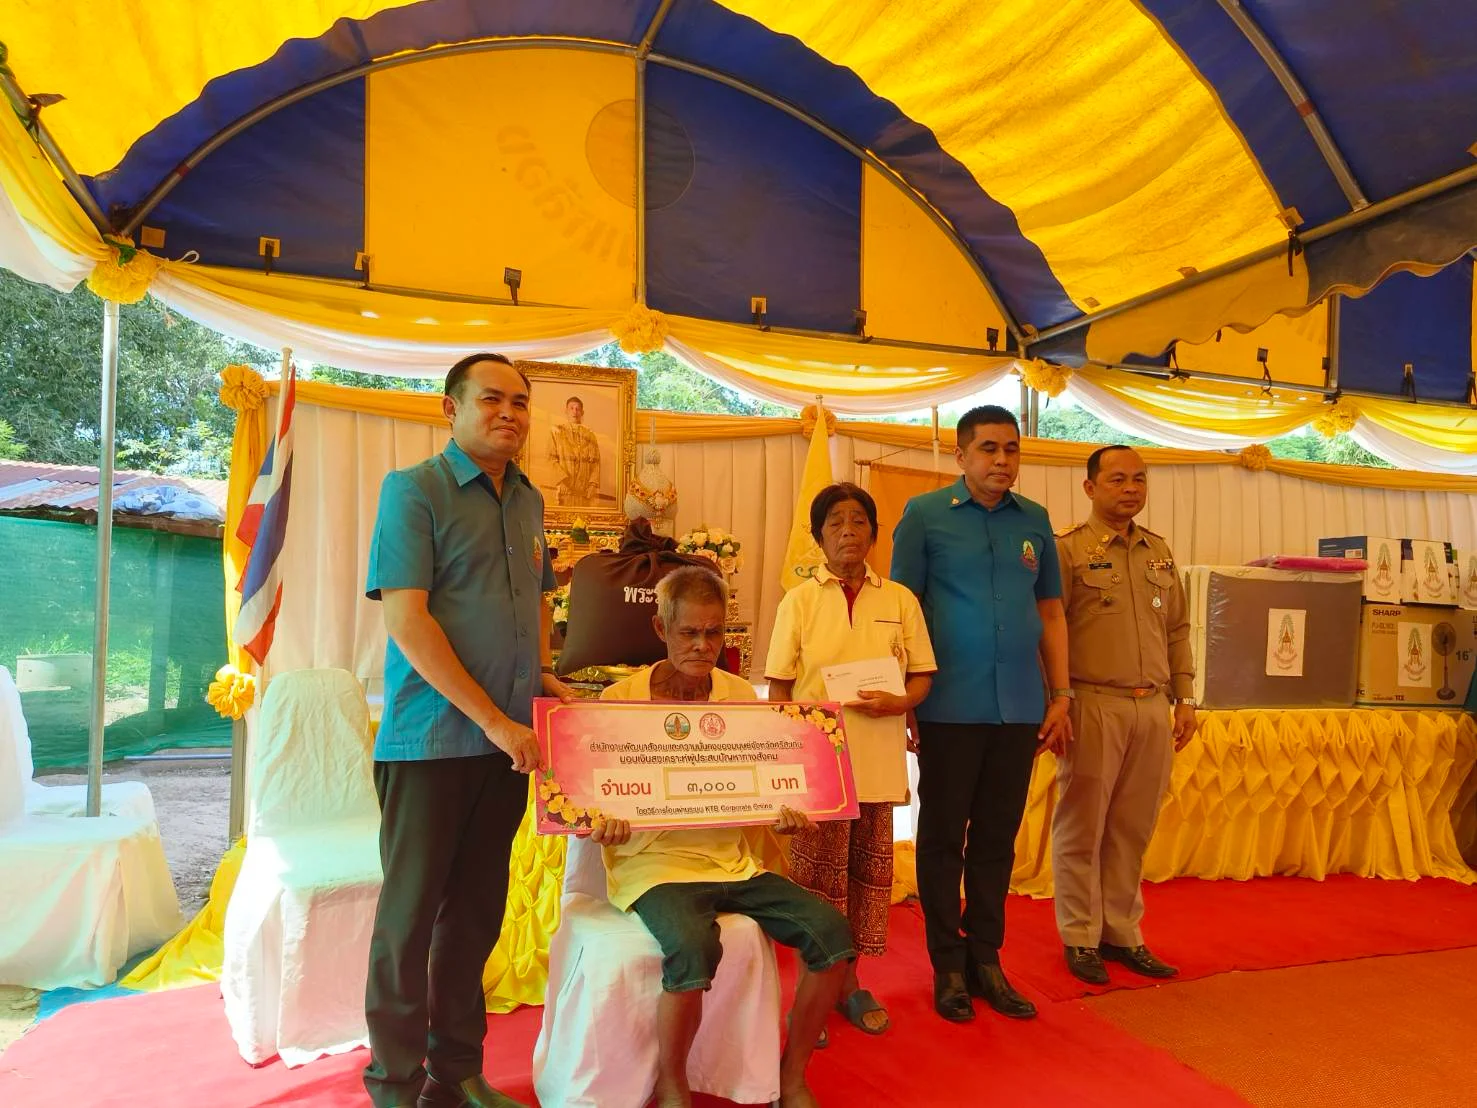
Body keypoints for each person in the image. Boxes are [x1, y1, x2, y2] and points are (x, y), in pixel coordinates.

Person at [363, 352, 572, 1108]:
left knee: (476, 915)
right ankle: (394, 1085)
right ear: (450, 408)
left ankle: (454, 1072)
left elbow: (536, 601)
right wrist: (494, 720)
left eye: (520, 401)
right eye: (491, 399)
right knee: (408, 920)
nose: (509, 413)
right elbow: (407, 621)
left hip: (507, 749)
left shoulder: (529, 499)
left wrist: (543, 675)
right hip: (431, 744)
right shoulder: (413, 491)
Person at [589, 566, 853, 1108]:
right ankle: (672, 1083)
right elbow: (588, 795)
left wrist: (785, 811)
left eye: (714, 632)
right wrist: (602, 820)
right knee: (693, 946)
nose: (703, 646)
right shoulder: (618, 699)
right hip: (654, 866)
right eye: (689, 632)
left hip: (733, 861)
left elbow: (763, 777)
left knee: (833, 936)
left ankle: (791, 1075)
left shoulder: (738, 694)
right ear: (660, 628)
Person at [890, 404, 1072, 1024]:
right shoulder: (925, 515)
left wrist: (1061, 693)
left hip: (1019, 705)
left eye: (1011, 449)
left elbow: (1050, 612)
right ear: (962, 455)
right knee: (943, 837)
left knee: (997, 838)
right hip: (949, 704)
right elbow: (903, 611)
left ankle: (986, 958)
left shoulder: (1035, 520)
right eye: (989, 448)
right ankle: (947, 964)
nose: (1002, 460)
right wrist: (908, 697)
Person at [765, 482, 936, 1040]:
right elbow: (780, 687)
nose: (848, 531)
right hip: (818, 770)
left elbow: (922, 676)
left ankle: (848, 984)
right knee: (817, 888)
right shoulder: (799, 600)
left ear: (874, 533)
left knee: (864, 885)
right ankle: (809, 995)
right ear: (818, 537)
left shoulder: (900, 600)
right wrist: (788, 759)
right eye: (835, 522)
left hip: (878, 764)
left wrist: (901, 703)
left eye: (858, 520)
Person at [1052, 445, 1197, 985]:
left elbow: (1177, 630)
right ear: (1090, 488)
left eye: (1139, 479)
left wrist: (1186, 697)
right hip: (1093, 702)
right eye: (1117, 480)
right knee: (1082, 826)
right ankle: (1080, 934)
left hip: (1153, 706)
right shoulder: (1068, 550)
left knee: (1133, 828)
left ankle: (1122, 931)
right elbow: (1050, 630)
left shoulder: (1158, 551)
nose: (1130, 488)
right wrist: (1057, 699)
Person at [547, 394, 600, 505]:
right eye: (571, 408)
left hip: (584, 493)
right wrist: (563, 480)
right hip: (564, 492)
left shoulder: (590, 435)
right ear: (566, 411)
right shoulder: (557, 432)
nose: (575, 412)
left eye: (578, 409)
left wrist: (593, 484)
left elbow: (595, 463)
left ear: (582, 412)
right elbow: (551, 458)